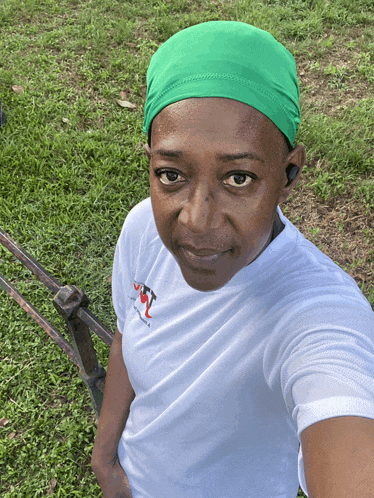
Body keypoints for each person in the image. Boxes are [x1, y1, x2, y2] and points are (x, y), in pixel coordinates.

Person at [91, 21, 374, 498]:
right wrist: (105, 457)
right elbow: (127, 336)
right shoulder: (143, 228)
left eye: (238, 178)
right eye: (171, 174)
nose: (197, 222)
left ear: (289, 173)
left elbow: (341, 411)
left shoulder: (319, 313)